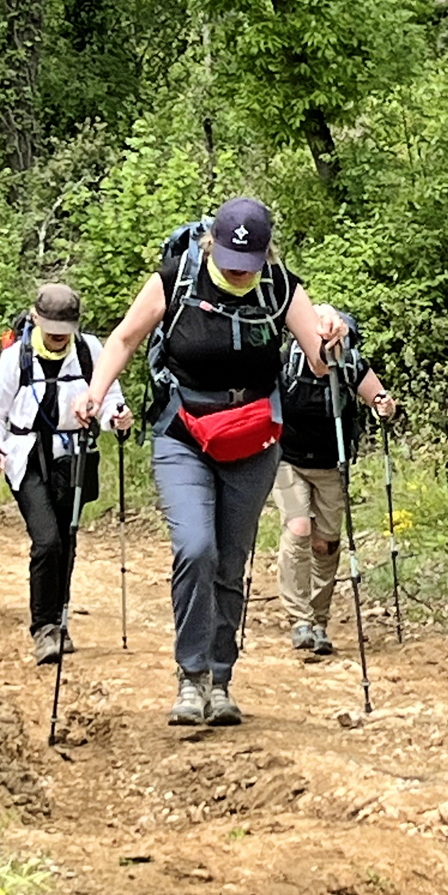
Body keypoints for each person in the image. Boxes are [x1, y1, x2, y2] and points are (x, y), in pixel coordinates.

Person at [72, 197, 346, 727]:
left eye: (249, 264)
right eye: (229, 261)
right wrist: (95, 393)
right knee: (196, 548)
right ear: (211, 244)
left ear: (266, 254)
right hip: (183, 434)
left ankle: (221, 679)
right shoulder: (176, 278)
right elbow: (125, 338)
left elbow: (319, 361)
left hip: (253, 440)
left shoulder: (281, 287)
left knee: (229, 561)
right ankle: (191, 674)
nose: (238, 272)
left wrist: (331, 333)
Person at [0, 283, 132, 665]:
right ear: (36, 319)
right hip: (25, 457)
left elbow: (110, 399)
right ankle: (44, 629)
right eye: (52, 329)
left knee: (67, 539)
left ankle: (60, 621)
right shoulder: (17, 357)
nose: (59, 336)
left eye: (65, 329)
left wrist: (117, 417)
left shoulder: (89, 350)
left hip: (73, 457)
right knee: (47, 541)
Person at [273, 307, 396, 655]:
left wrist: (384, 406)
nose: (332, 350)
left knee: (325, 543)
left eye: (339, 344)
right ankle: (299, 619)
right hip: (288, 461)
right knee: (298, 529)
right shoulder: (286, 362)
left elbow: (380, 398)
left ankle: (319, 620)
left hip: (331, 465)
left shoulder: (351, 365)